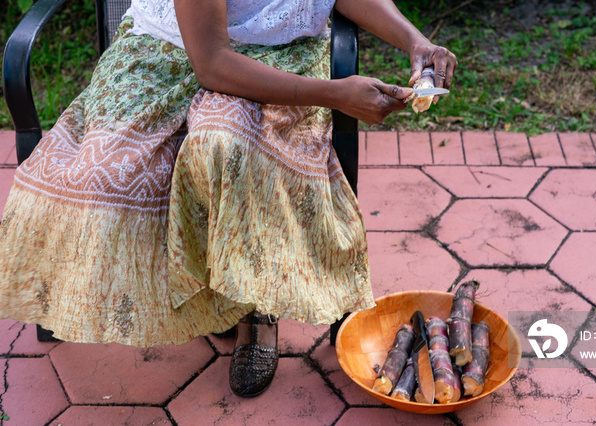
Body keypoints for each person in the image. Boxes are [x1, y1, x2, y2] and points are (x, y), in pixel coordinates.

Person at [0, 0, 456, 397]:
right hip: (171, 52)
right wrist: (335, 95)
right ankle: (214, 291)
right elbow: (213, 63)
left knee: (226, 146)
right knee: (105, 178)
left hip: (283, 55)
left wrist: (416, 42)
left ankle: (256, 310)